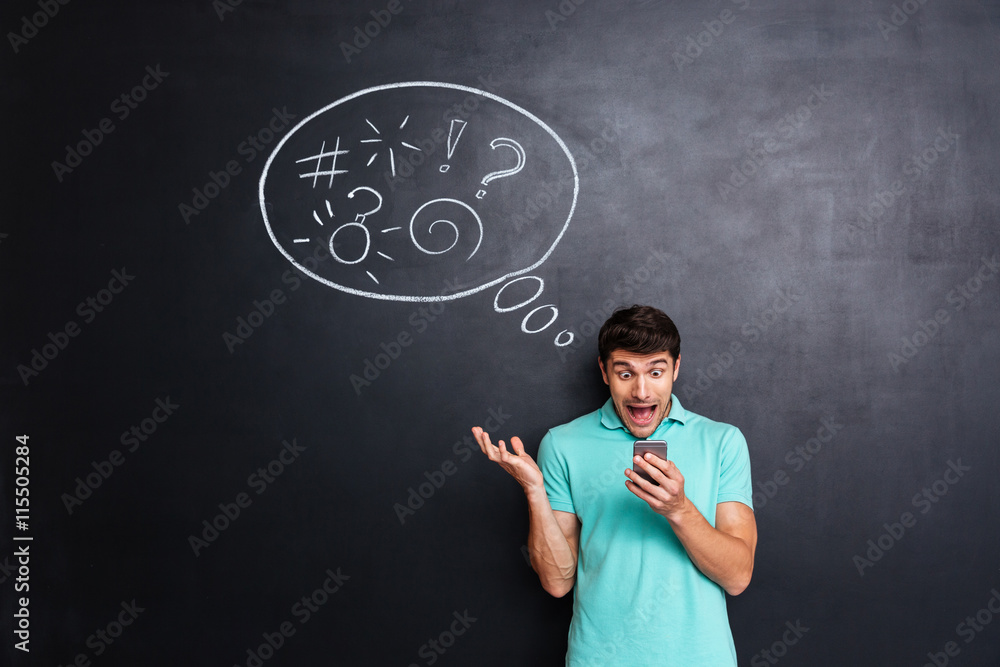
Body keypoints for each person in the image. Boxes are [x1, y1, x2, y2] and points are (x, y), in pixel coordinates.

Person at [472, 305, 756, 666]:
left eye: (656, 372)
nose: (641, 391)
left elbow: (738, 577)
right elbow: (557, 582)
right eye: (625, 373)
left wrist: (678, 509)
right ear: (604, 372)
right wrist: (534, 492)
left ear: (676, 369)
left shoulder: (723, 442)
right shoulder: (562, 445)